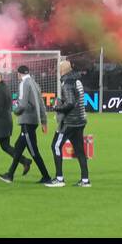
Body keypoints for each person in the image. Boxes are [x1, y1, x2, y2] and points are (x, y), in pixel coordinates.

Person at [0, 64, 52, 184]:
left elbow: (22, 104)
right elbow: (41, 104)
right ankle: (10, 174)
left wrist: (15, 111)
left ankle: (46, 176)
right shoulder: (34, 83)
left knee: (33, 150)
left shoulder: (24, 84)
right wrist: (44, 121)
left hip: (27, 121)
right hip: (33, 121)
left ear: (19, 73)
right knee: (18, 147)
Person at [47, 58, 90, 187]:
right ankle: (85, 180)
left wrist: (56, 107)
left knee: (55, 146)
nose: (58, 72)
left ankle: (59, 179)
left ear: (63, 70)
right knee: (79, 150)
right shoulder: (77, 80)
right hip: (80, 120)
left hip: (69, 122)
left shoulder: (67, 83)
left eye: (59, 69)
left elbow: (70, 102)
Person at [0, 69, 29, 177]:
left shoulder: (0, 90)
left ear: (0, 78)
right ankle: (24, 161)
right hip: (5, 121)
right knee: (5, 146)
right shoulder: (2, 88)